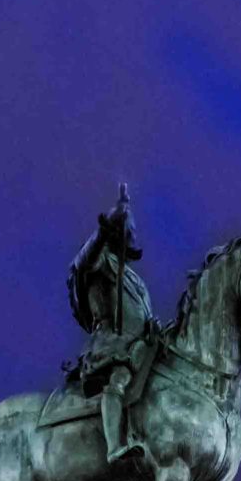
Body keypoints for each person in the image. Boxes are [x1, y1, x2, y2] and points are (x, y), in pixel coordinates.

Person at [65, 186, 155, 462]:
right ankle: (115, 446)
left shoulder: (135, 280)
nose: (133, 234)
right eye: (128, 230)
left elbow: (144, 316)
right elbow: (80, 265)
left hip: (140, 347)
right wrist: (105, 226)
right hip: (112, 345)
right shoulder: (101, 261)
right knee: (118, 382)